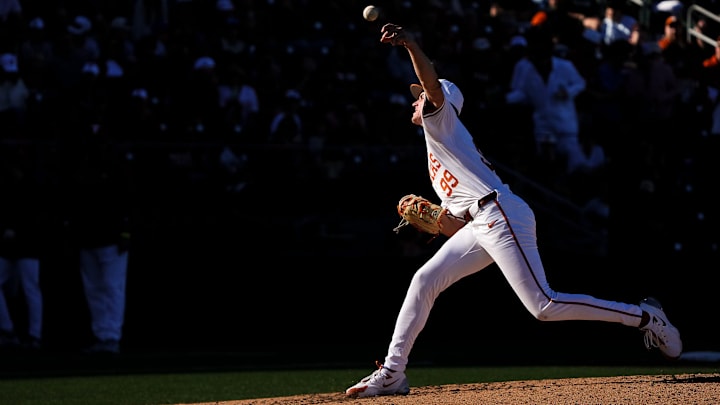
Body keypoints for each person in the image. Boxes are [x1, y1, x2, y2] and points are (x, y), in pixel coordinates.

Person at [345, 22, 683, 399]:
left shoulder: (440, 121)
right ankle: (393, 372)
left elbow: (432, 86)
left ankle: (644, 316)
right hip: (485, 218)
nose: (415, 99)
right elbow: (465, 231)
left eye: (419, 95)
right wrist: (442, 223)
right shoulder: (442, 148)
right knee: (424, 281)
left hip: (500, 213)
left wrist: (411, 45)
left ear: (436, 102)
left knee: (544, 305)